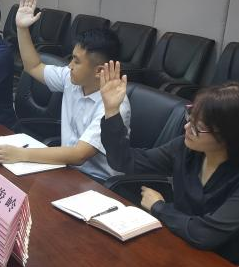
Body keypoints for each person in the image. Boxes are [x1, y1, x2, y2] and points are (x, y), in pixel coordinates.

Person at [99, 61, 239, 264]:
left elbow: (205, 234)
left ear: (228, 136)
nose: (187, 128)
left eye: (198, 127)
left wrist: (159, 207)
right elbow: (124, 161)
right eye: (190, 117)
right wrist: (112, 110)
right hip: (177, 243)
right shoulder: (186, 148)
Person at [0, 0, 131, 181]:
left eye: (76, 61)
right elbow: (33, 67)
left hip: (97, 182)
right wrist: (22, 29)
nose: (70, 65)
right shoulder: (72, 78)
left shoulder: (115, 106)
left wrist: (21, 154)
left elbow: (79, 155)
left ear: (99, 71)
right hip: (66, 169)